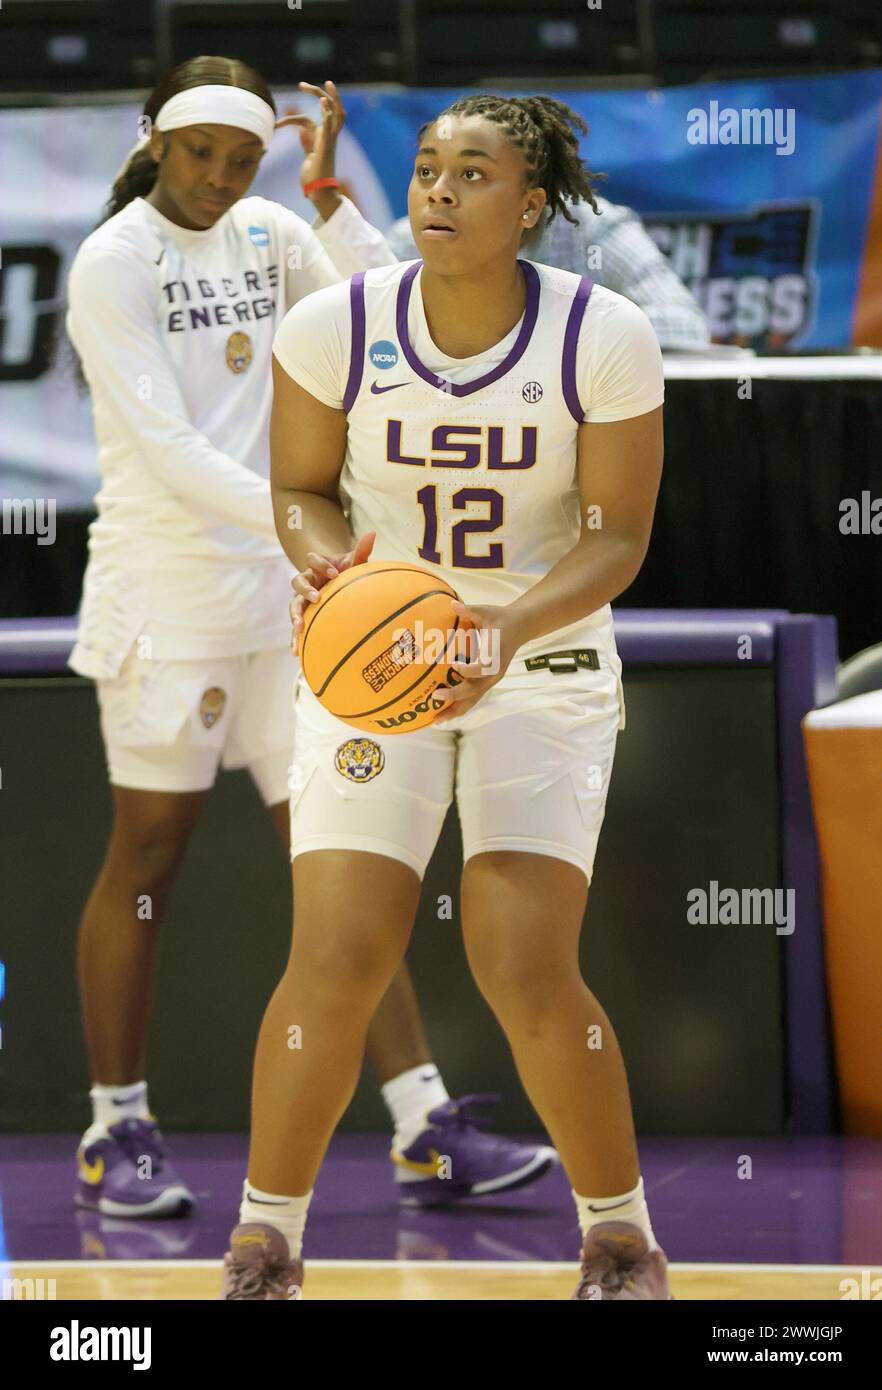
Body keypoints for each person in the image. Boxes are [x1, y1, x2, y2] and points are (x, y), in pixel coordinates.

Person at [65, 57, 554, 1222]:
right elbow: (172, 452)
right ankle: (115, 1124)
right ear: (155, 140)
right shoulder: (111, 262)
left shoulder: (273, 229)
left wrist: (327, 187)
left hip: (300, 609)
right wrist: (322, 539)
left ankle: (421, 1125)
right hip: (168, 598)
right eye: (200, 156)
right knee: (144, 863)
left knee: (346, 868)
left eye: (244, 160)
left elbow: (388, 292)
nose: (221, 181)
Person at [223, 92, 670, 1300]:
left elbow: (617, 535)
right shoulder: (333, 324)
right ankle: (266, 1242)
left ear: (530, 205)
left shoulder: (605, 333)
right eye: (425, 167)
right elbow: (301, 490)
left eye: (472, 173)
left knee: (522, 960)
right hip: (376, 659)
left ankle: (619, 1237)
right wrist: (329, 567)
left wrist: (506, 623)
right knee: (337, 951)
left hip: (545, 657)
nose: (436, 189)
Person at [388, 179, 709, 351]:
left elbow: (682, 322)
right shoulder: (415, 239)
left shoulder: (593, 227)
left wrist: (556, 345)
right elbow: (362, 330)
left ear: (534, 201)